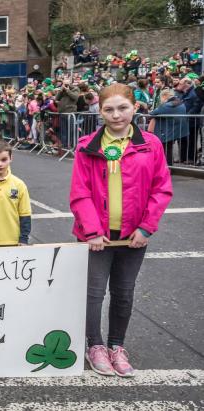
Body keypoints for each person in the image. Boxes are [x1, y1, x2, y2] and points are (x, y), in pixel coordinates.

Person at [70, 83, 173, 378]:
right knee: (93, 294)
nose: (116, 115)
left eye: (123, 108)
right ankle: (95, 345)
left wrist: (146, 228)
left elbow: (161, 189)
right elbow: (80, 192)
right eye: (109, 109)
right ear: (100, 112)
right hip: (96, 237)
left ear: (135, 108)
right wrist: (91, 230)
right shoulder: (87, 146)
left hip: (133, 237)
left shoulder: (151, 144)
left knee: (124, 292)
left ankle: (117, 345)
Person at [148, 88, 188, 166]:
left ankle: (167, 167)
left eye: (161, 98)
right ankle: (169, 165)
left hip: (167, 131)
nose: (161, 100)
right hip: (176, 129)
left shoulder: (168, 105)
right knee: (168, 149)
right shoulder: (180, 102)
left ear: (165, 96)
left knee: (166, 149)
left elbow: (152, 113)